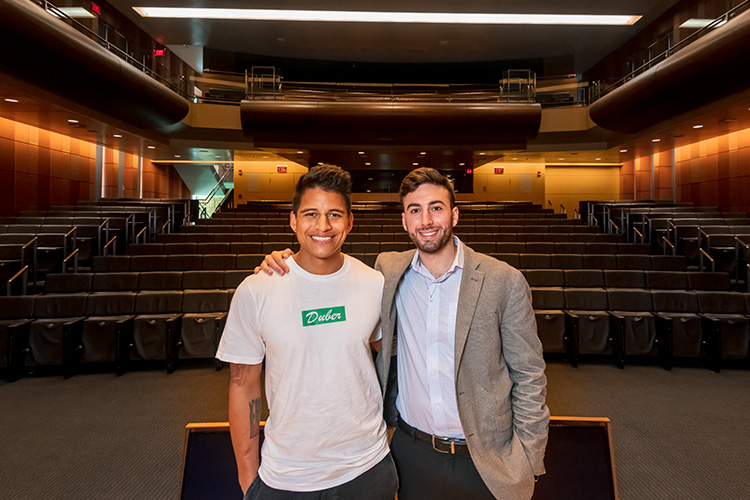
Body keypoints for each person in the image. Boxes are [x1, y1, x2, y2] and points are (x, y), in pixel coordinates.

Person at [259, 167, 549, 500]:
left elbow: (529, 376)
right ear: (404, 220)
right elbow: (329, 275)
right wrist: (283, 262)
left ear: (454, 214)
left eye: (436, 208)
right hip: (412, 452)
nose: (426, 220)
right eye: (415, 210)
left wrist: (529, 460)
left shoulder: (504, 280)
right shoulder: (388, 272)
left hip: (486, 457)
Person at [217, 164, 397, 500]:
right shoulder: (258, 289)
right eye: (311, 214)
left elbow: (391, 355)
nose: (323, 226)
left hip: (367, 468)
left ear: (350, 221)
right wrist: (247, 477)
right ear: (293, 220)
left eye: (335, 215)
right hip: (287, 475)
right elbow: (243, 385)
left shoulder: (374, 285)